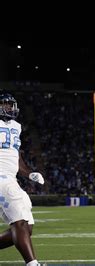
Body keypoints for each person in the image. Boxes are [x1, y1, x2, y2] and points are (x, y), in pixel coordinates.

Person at [0, 93, 44, 266]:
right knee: (19, 222)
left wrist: (29, 174)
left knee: (27, 226)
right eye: (5, 104)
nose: (9, 108)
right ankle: (32, 264)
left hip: (11, 178)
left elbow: (16, 157)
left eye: (11, 105)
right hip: (1, 178)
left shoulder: (16, 126)